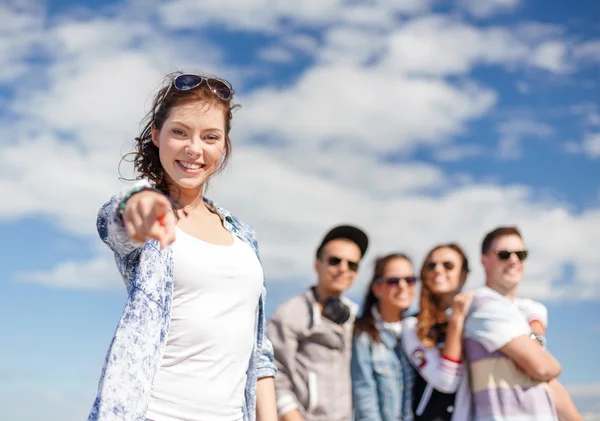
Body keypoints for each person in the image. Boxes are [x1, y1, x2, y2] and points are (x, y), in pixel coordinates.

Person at [88, 72, 277, 421]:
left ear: (224, 146)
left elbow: (259, 350)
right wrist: (139, 204)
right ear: (157, 135)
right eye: (179, 132)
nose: (194, 148)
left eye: (210, 137)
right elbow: (113, 223)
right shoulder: (149, 212)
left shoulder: (244, 237)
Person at [464, 226, 581, 421]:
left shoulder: (522, 309)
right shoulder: (484, 305)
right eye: (504, 254)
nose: (514, 260)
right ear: (484, 260)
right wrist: (551, 364)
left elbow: (545, 378)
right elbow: (543, 368)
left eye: (521, 254)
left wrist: (535, 334)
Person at [267, 225, 369, 421]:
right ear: (317, 264)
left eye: (352, 265)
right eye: (335, 261)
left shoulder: (356, 317)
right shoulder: (289, 314)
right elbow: (274, 374)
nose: (343, 269)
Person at [401, 243, 474, 421]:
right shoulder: (412, 326)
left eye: (448, 265)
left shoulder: (477, 317)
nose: (438, 270)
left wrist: (536, 334)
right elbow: (446, 381)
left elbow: (530, 309)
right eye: (431, 265)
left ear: (463, 275)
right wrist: (457, 319)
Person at [351, 253, 417, 421]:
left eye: (409, 280)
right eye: (393, 281)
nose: (403, 286)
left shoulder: (418, 332)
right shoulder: (364, 336)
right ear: (377, 288)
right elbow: (365, 401)